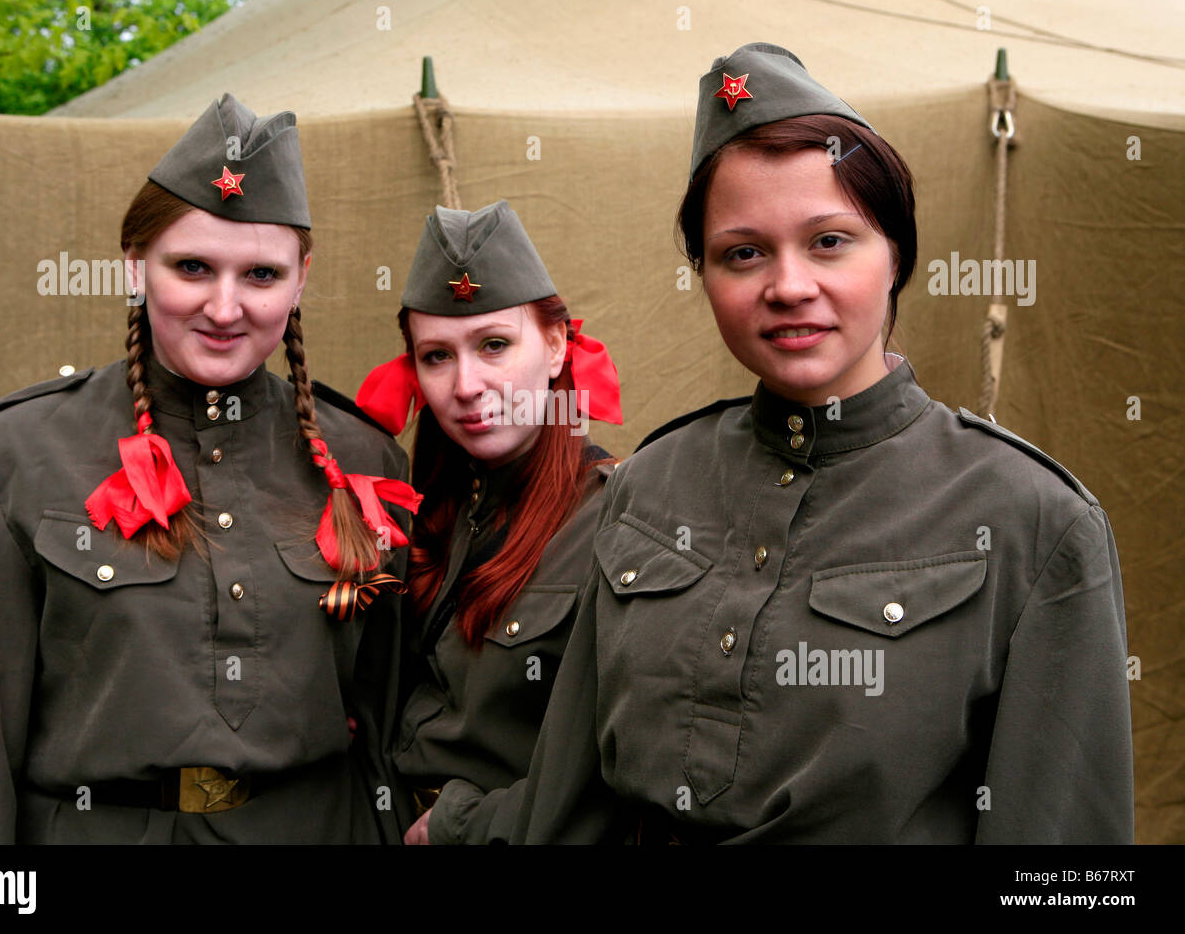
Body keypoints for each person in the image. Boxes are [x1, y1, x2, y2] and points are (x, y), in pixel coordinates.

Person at [431, 44, 1134, 843]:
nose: (789, 285)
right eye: (743, 253)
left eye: (830, 241)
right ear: (704, 274)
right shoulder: (649, 485)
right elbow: (571, 793)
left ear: (895, 254)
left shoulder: (1033, 520)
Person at [0, 94, 421, 843]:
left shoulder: (362, 457)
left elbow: (384, 719)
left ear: (301, 278)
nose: (225, 307)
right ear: (136, 265)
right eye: (192, 267)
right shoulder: (14, 452)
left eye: (260, 274)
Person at [354, 200, 621, 844]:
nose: (466, 385)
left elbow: (624, 766)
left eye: (494, 345)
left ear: (557, 345)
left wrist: (460, 828)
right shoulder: (422, 512)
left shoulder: (617, 519)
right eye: (437, 356)